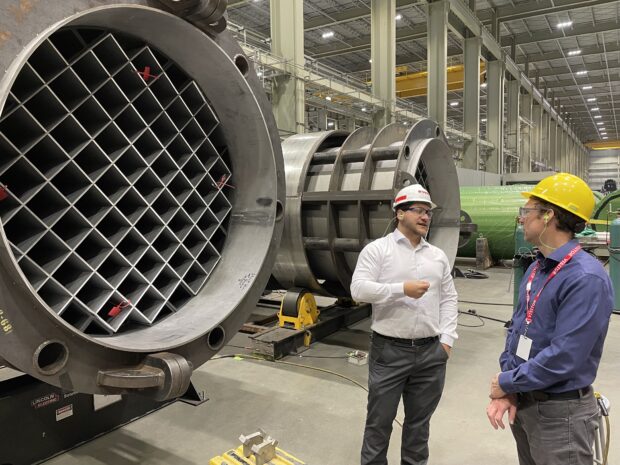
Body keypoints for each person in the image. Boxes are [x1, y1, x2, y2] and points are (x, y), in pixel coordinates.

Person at [486, 172, 614, 465]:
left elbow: (565, 357)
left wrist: (507, 381)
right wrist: (511, 389)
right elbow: (518, 330)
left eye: (526, 211)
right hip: (526, 403)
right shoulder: (536, 269)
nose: (521, 218)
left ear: (547, 216)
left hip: (561, 417)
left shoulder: (585, 278)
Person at [351, 184, 458, 465]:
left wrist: (447, 340)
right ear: (399, 213)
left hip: (431, 353)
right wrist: (401, 289)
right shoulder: (378, 250)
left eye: (428, 212)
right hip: (389, 352)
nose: (425, 217)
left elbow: (449, 298)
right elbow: (358, 290)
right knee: (379, 423)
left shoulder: (436, 256)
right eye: (418, 211)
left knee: (419, 426)